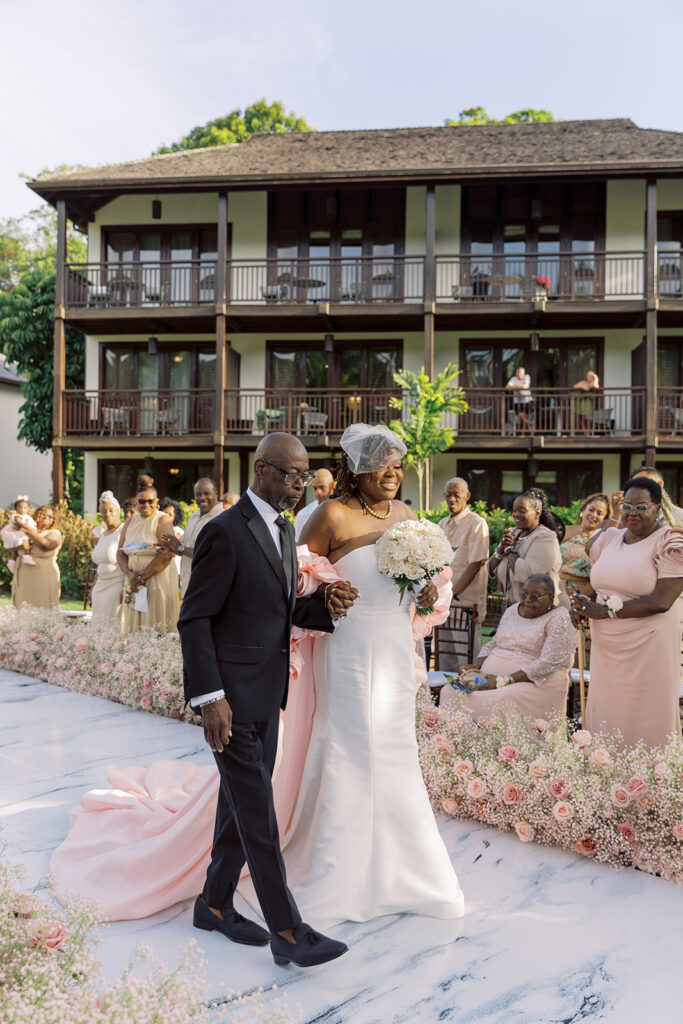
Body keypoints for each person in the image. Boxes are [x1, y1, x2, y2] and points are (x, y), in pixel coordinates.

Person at [179, 433, 356, 967]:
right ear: (261, 469)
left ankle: (212, 904)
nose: (301, 484)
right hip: (229, 700)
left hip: (267, 693)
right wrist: (210, 697)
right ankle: (287, 929)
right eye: (291, 474)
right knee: (258, 811)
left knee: (239, 806)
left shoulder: (283, 530)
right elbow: (195, 617)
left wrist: (324, 603)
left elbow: (275, 610)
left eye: (305, 475)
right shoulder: (225, 532)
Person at [287, 423, 465, 928]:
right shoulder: (330, 515)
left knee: (395, 752)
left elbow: (431, 582)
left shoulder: (408, 517)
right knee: (350, 749)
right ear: (358, 467)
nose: (393, 472)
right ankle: (338, 879)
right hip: (346, 649)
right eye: (382, 463)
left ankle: (408, 875)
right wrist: (322, 592)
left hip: (392, 648)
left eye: (398, 463)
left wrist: (429, 593)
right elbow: (292, 579)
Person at [571, 477, 683, 750]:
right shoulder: (610, 538)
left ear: (657, 508)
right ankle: (603, 772)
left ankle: (652, 777)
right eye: (627, 507)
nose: (632, 513)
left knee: (646, 711)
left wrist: (604, 611)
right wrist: (586, 604)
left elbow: (662, 600)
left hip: (649, 644)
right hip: (608, 647)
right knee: (608, 708)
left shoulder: (670, 541)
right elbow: (606, 584)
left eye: (641, 507)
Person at [441, 574, 577, 721]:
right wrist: (474, 667)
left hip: (535, 684)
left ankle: (497, 744)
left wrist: (503, 680)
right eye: (524, 594)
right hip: (488, 680)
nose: (526, 600)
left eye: (535, 596)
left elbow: (548, 663)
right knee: (450, 691)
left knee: (503, 699)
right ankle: (456, 741)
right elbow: (493, 643)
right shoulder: (512, 610)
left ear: (551, 598)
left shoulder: (559, 618)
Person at [437, 477, 489, 666]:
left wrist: (453, 593)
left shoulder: (477, 523)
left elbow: (476, 563)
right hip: (442, 605)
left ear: (467, 496)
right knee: (444, 660)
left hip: (465, 606)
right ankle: (445, 696)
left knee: (466, 663)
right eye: (448, 495)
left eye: (457, 495)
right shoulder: (442, 523)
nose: (452, 499)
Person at [116, 476, 179, 633]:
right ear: (136, 502)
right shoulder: (130, 522)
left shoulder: (162, 520)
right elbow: (120, 552)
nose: (146, 505)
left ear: (156, 502)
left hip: (156, 580)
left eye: (150, 501)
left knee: (154, 624)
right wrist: (130, 575)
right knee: (133, 627)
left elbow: (167, 553)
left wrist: (142, 577)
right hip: (133, 581)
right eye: (142, 501)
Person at [489, 488, 566, 607]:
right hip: (514, 609)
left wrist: (509, 550)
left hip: (541, 610)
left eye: (522, 510)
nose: (516, 515)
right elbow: (491, 571)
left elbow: (528, 575)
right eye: (514, 510)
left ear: (538, 512)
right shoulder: (513, 533)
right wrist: (500, 549)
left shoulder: (546, 537)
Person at [160, 478, 223, 598]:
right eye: (198, 494)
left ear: (216, 493)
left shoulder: (222, 519)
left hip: (209, 588)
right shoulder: (194, 516)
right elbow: (181, 545)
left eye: (207, 493)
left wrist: (181, 548)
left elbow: (211, 555)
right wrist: (167, 545)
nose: (202, 497)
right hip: (189, 585)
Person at [559, 492, 612, 597]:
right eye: (591, 510)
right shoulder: (565, 530)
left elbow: (600, 575)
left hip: (580, 595)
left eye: (599, 513)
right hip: (553, 589)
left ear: (604, 519)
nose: (593, 515)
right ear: (583, 510)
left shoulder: (602, 541)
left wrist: (578, 596)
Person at [12, 505, 62, 610]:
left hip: (44, 577)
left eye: (50, 516)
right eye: (44, 514)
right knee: (22, 609)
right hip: (23, 577)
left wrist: (29, 533)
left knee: (44, 608)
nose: (46, 517)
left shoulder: (54, 533)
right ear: (37, 515)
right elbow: (11, 547)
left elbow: (46, 546)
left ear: (54, 520)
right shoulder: (25, 530)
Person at [90, 491, 125, 625]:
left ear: (118, 511)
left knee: (112, 626)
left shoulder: (123, 531)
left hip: (116, 585)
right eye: (104, 511)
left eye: (111, 510)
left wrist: (125, 588)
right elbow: (100, 565)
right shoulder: (103, 534)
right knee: (98, 626)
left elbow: (129, 561)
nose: (108, 514)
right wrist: (93, 588)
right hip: (100, 587)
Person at [294, 468, 335, 541]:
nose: (318, 492)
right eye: (315, 488)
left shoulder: (344, 510)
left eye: (322, 487)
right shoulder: (303, 515)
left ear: (332, 486)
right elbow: (299, 545)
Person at [2, 495, 37, 570]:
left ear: (28, 509)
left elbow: (33, 523)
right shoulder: (16, 516)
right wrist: (29, 528)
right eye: (19, 507)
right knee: (24, 544)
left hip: (22, 532)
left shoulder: (27, 516)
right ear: (16, 508)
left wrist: (33, 528)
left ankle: (12, 562)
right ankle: (27, 556)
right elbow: (20, 523)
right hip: (16, 533)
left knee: (18, 550)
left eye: (24, 508)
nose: (22, 509)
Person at [505, 366, 532, 433]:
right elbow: (507, 387)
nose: (518, 374)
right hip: (517, 401)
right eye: (517, 373)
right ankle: (531, 430)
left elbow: (525, 387)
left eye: (520, 373)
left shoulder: (527, 377)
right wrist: (520, 386)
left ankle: (523, 434)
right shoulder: (513, 379)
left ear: (524, 373)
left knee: (524, 417)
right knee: (521, 416)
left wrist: (513, 387)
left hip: (527, 400)